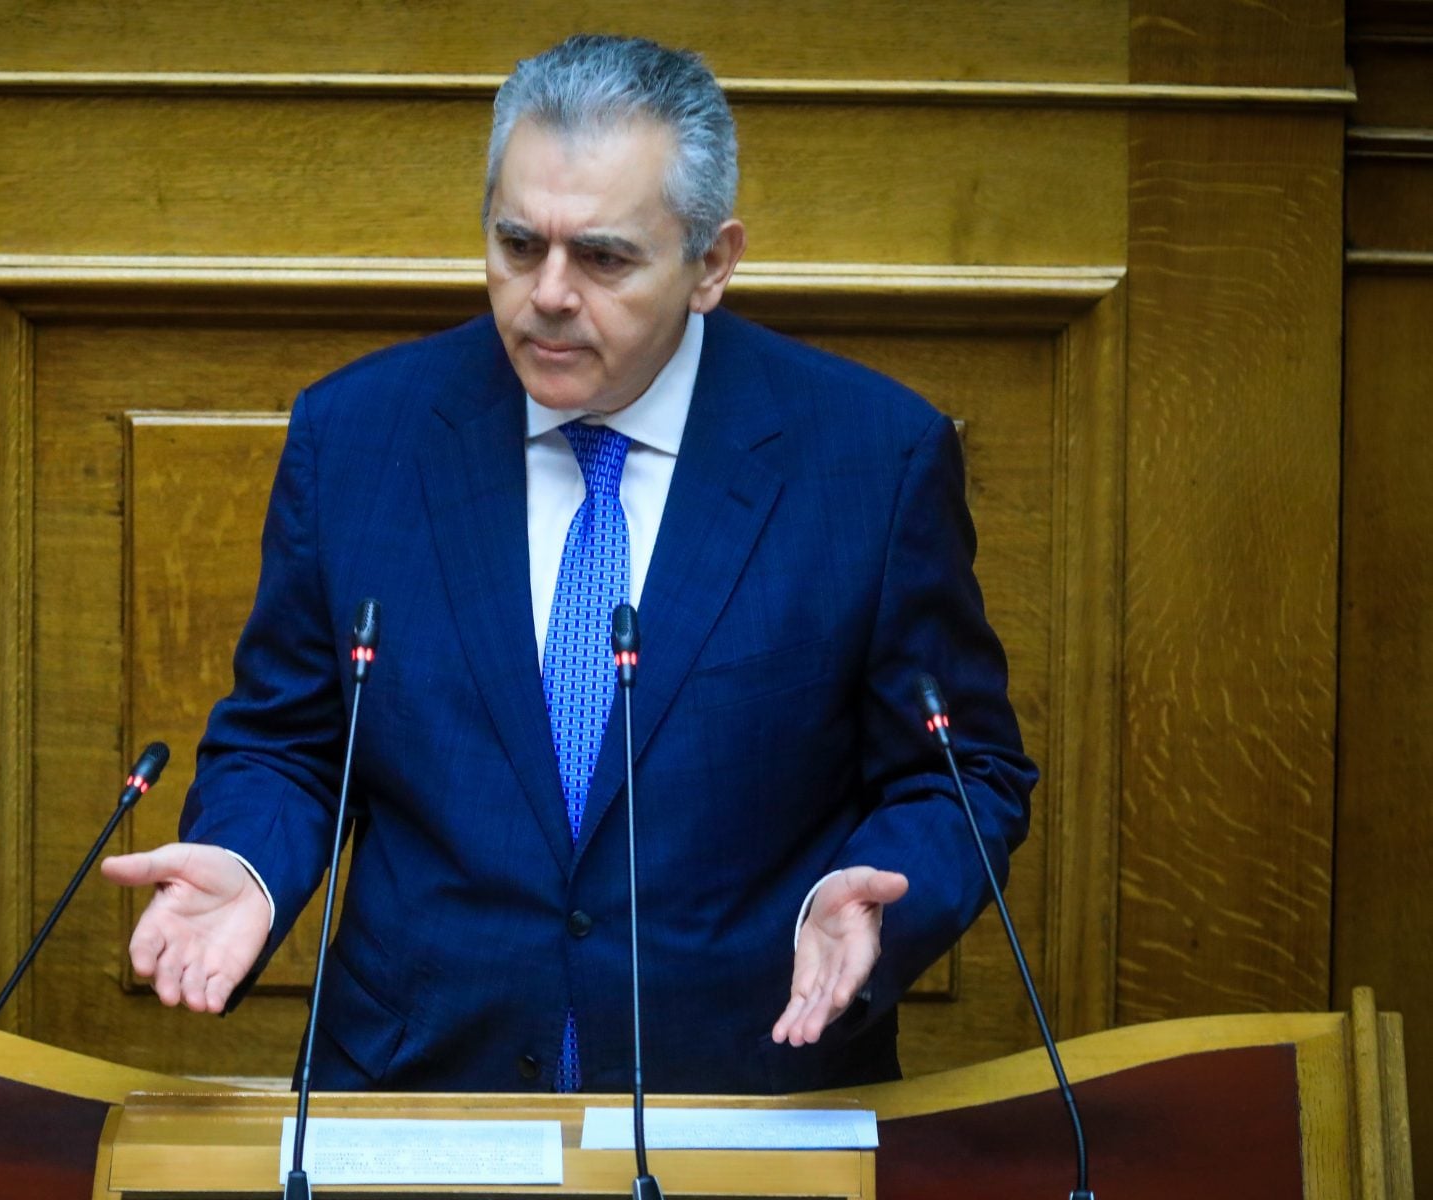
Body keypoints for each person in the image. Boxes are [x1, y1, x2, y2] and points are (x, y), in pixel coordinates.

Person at [101, 33, 1036, 1094]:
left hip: (741, 1091)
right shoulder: (359, 436)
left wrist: (877, 894)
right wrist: (248, 861)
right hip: (421, 1089)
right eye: (517, 244)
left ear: (712, 263)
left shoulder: (870, 460)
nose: (547, 293)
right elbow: (290, 743)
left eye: (603, 258)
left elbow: (961, 772)